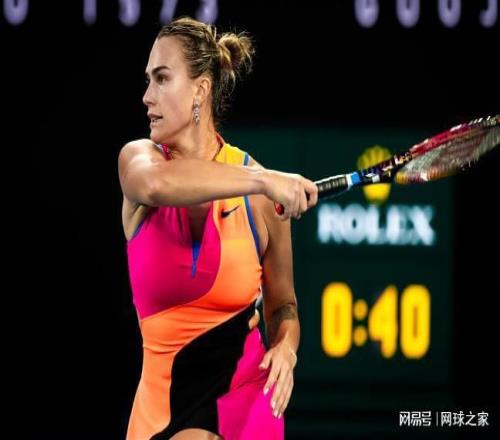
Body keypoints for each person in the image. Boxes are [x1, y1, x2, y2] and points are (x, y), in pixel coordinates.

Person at [118, 16, 318, 440]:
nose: (147, 96)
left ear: (200, 90)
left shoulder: (260, 198)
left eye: (161, 79)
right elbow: (157, 184)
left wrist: (286, 347)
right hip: (158, 413)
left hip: (245, 398)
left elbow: (283, 306)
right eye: (148, 80)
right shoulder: (138, 162)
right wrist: (263, 180)